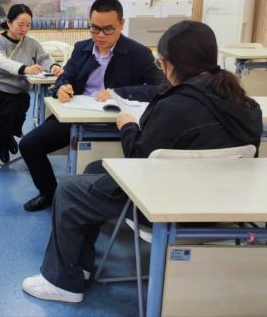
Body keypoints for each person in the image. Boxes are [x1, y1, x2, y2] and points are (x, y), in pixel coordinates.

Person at [22, 20, 263, 304]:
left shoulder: (173, 107)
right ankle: (80, 262)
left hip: (164, 204)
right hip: (223, 205)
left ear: (170, 65)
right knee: (95, 168)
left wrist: (127, 126)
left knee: (69, 189)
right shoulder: (247, 105)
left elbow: (139, 162)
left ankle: (62, 282)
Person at [19, 0, 165, 212]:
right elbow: (65, 76)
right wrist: (62, 87)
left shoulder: (138, 53)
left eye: (108, 29)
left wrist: (118, 93)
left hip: (120, 121)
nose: (100, 35)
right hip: (78, 116)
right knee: (29, 145)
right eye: (94, 28)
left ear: (121, 25)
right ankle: (50, 194)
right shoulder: (82, 48)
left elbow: (160, 88)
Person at [0, 4, 62, 163]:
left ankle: (5, 137)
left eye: (28, 25)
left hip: (17, 92)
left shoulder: (32, 43)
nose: (24, 29)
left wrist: (53, 66)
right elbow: (1, 62)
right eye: (21, 24)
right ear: (9, 22)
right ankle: (3, 140)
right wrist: (25, 69)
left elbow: (44, 58)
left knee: (15, 113)